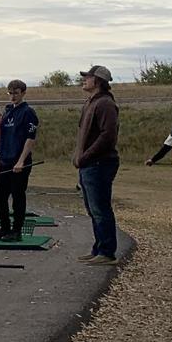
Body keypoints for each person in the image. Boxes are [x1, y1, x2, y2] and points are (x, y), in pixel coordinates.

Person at [73, 65, 121, 265]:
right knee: (93, 208)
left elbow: (108, 136)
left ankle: (107, 252)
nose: (84, 79)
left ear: (99, 81)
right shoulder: (90, 103)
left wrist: (85, 156)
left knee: (100, 208)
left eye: (88, 77)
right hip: (90, 163)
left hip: (100, 163)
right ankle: (99, 248)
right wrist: (78, 156)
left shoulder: (105, 104)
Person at [0, 79, 38, 241]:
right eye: (10, 93)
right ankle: (4, 227)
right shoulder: (7, 112)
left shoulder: (28, 112)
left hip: (19, 162)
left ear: (23, 93)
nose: (12, 96)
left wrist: (21, 161)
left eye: (16, 93)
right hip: (5, 161)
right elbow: (3, 140)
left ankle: (16, 230)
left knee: (17, 196)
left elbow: (30, 139)